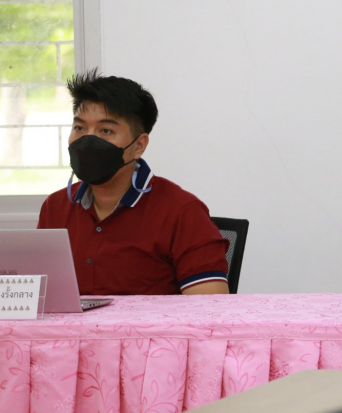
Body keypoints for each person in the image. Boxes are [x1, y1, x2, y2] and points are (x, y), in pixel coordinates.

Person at [37, 70, 230, 295]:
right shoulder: (55, 208)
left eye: (106, 130)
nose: (88, 140)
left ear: (139, 146)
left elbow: (210, 307)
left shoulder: (182, 211)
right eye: (80, 128)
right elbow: (38, 296)